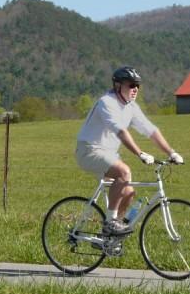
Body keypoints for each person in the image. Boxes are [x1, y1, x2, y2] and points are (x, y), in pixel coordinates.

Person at [76, 66, 183, 236]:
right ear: (118, 86)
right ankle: (110, 224)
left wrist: (171, 153)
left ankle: (111, 238)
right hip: (89, 150)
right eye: (131, 85)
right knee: (124, 171)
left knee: (128, 193)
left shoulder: (131, 107)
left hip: (108, 154)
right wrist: (139, 153)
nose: (135, 89)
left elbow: (151, 130)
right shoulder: (107, 102)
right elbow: (121, 132)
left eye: (138, 86)